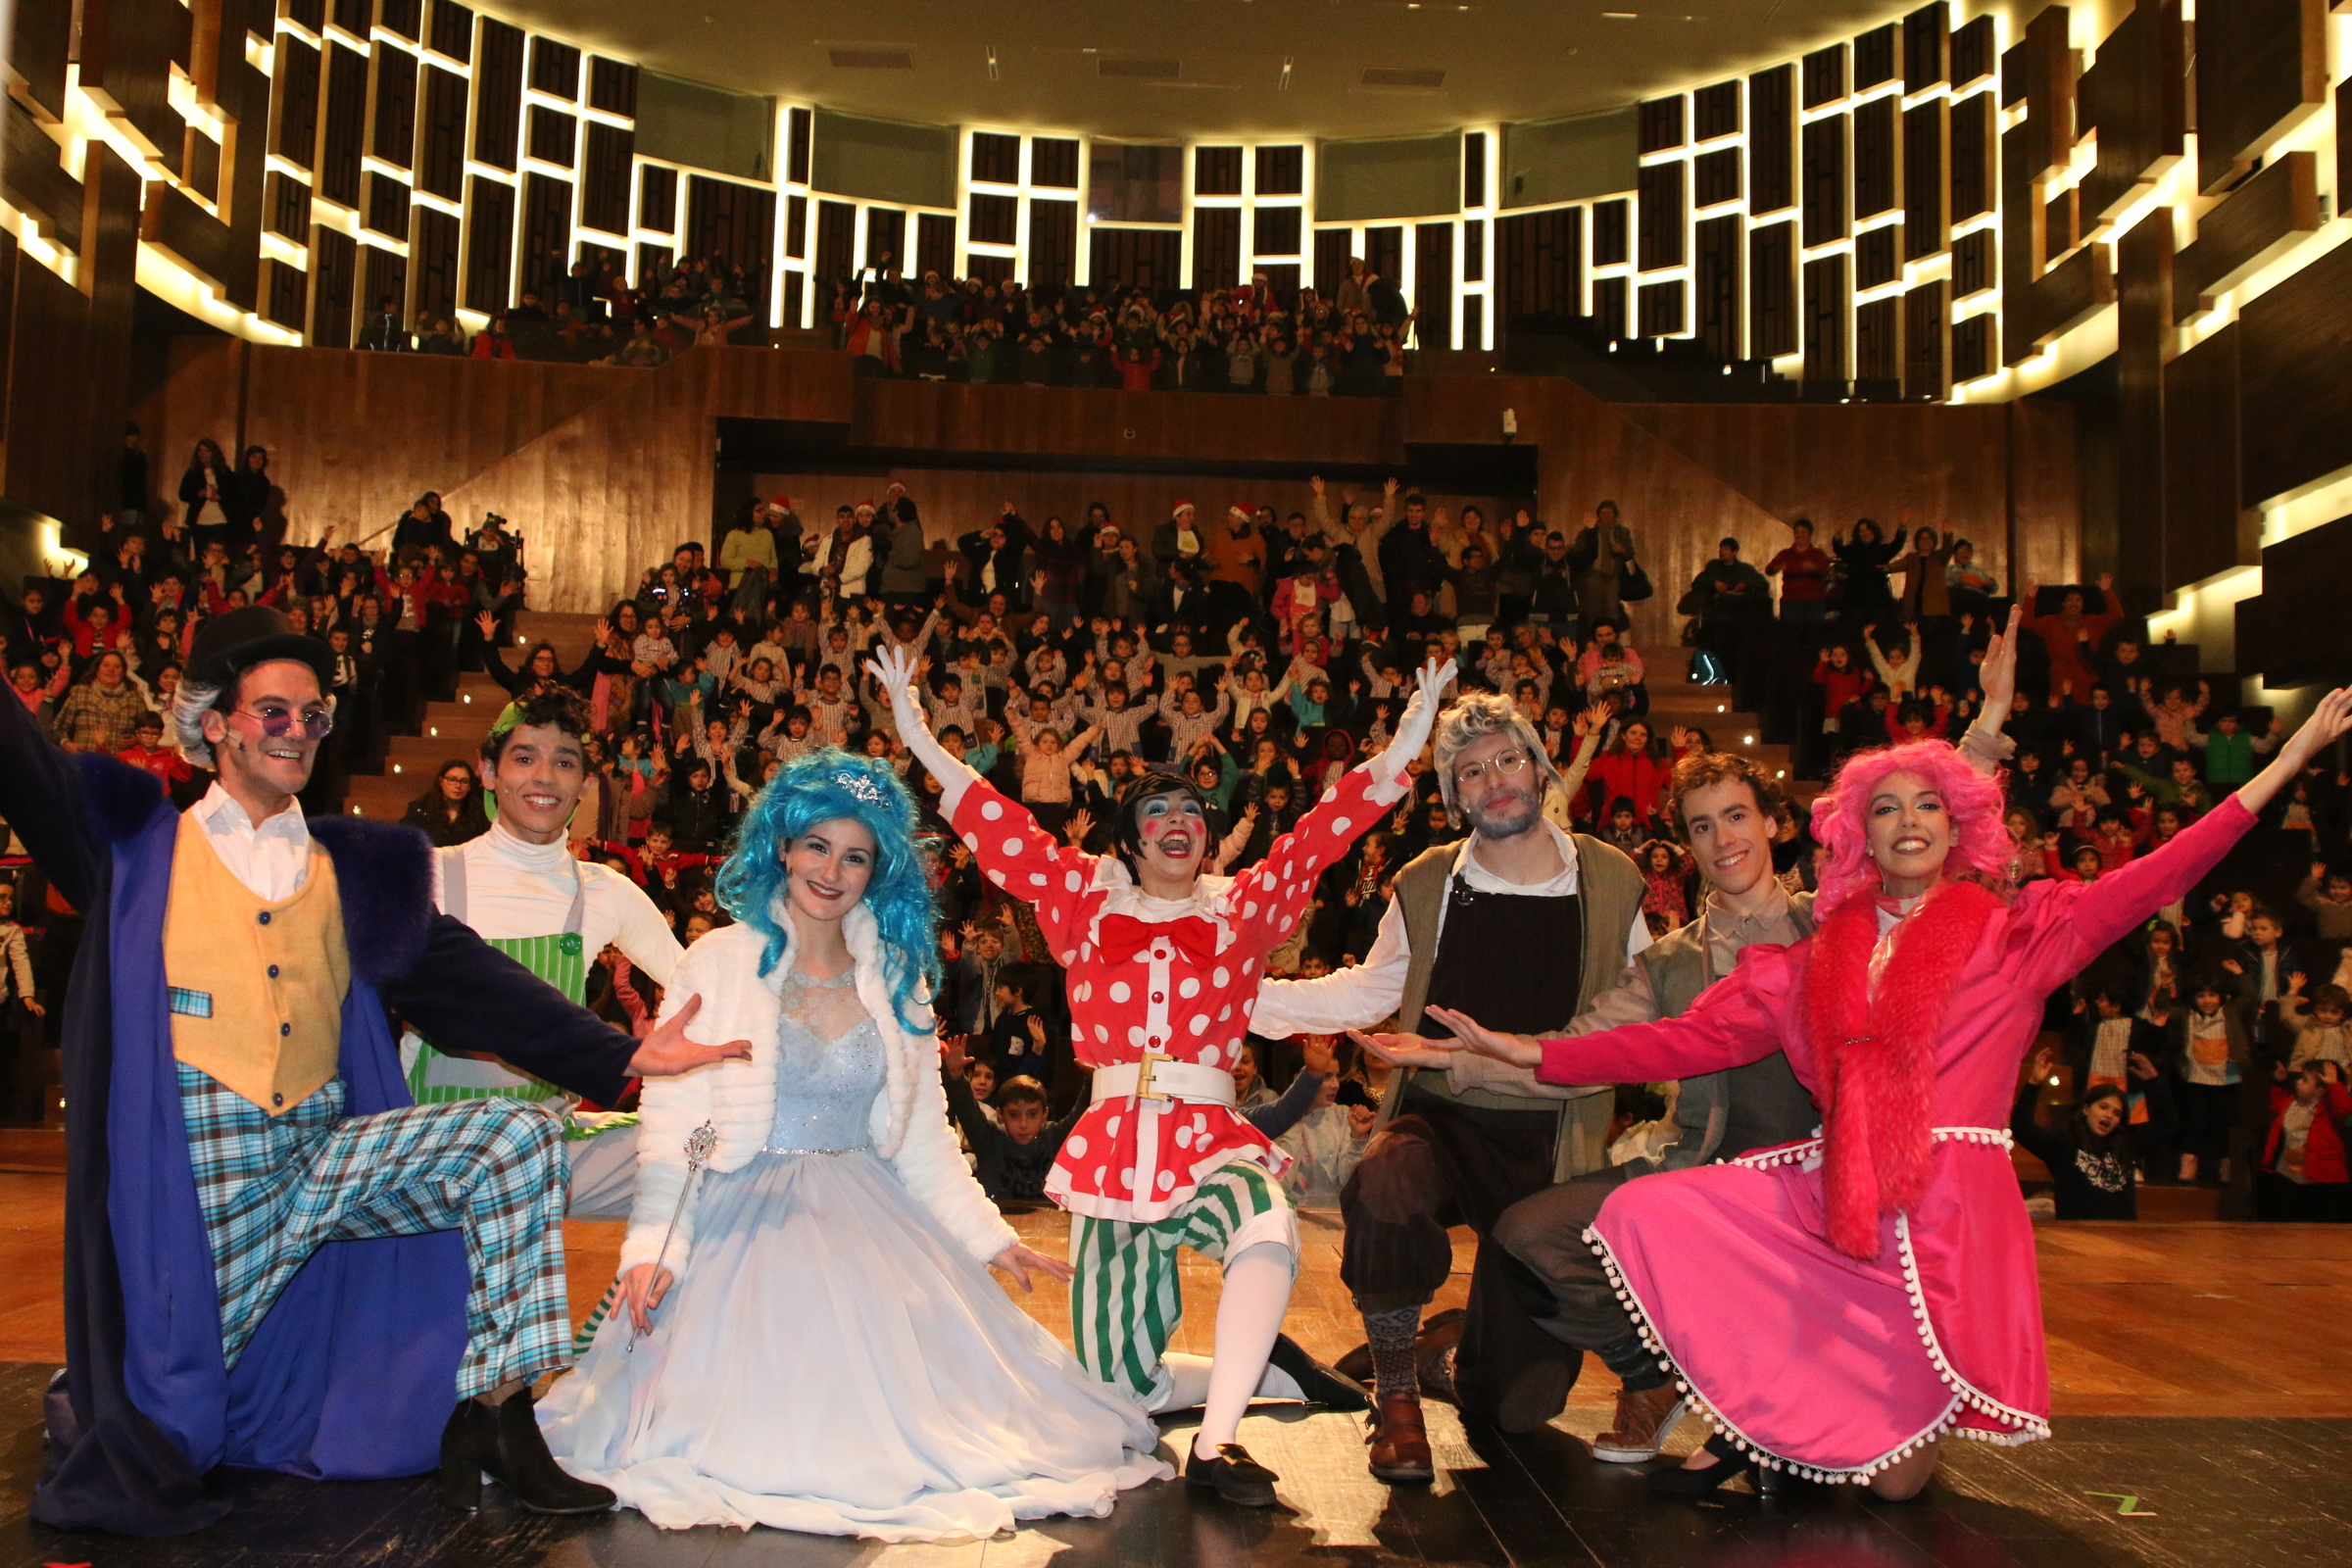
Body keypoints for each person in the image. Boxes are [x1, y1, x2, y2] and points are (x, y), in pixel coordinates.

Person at [1423, 681, 2351, 1497]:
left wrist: (2286, 762)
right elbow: (1682, 1039)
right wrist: (1522, 1050)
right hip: (1840, 1197)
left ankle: (1791, 1427)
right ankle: (1751, 1416)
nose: (1909, 822)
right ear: (1858, 834)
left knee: (1897, 1488)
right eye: (1887, 808)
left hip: (1948, 1214)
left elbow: (2160, 875)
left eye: (1928, 806)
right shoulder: (1819, 953)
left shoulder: (2019, 935)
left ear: (1956, 824)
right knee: (1644, 1214)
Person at [0, 607, 751, 1535]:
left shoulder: (351, 867)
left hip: (320, 1157)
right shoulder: (134, 847)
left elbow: (463, 976)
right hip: (195, 1195)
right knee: (157, 1415)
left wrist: (623, 1052)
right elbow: (24, 766)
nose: (298, 729)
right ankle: (101, 1389)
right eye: (274, 710)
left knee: (517, 1138)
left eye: (313, 714)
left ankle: (498, 1416)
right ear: (216, 722)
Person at [865, 641, 1445, 1506]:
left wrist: (1400, 751)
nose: (1180, 819)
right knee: (1118, 1395)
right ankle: (1266, 1370)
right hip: (1112, 1149)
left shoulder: (1241, 907)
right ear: (1131, 838)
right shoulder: (1084, 898)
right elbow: (997, 824)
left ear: (1206, 836)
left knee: (1265, 1224)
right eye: (1158, 809)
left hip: (1208, 1136)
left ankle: (1218, 1444)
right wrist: (917, 733)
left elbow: (1319, 835)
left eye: (1192, 810)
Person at [536, 751, 1169, 1539]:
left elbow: (923, 1136)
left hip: (867, 1211)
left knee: (947, 1416)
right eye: (817, 846)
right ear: (781, 846)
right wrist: (652, 1248)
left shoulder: (897, 974)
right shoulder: (718, 961)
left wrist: (990, 1238)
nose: (831, 871)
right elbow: (676, 1122)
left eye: (855, 856)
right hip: (742, 1221)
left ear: (879, 870)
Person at [1247, 691, 1651, 1480]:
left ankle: (1447, 1350)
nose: (1495, 781)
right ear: (1454, 797)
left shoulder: (1610, 878)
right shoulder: (1428, 881)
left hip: (1553, 1137)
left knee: (1515, 1407)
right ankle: (1396, 1395)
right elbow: (1369, 989)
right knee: (1385, 1180)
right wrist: (1239, 1001)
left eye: (1508, 760)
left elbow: (1644, 1006)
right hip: (1442, 1118)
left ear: (1540, 770)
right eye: (1471, 771)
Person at [404, 691, 684, 1218]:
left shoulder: (607, 891)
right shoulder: (426, 875)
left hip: (546, 1153)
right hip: (430, 1156)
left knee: (710, 1157)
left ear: (586, 784)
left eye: (565, 762)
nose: (545, 777)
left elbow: (696, 986)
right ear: (489, 772)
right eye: (525, 757)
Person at [403, 758, 493, 846]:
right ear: (441, 781)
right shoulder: (421, 810)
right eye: (452, 780)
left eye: (464, 781)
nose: (458, 786)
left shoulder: (478, 813)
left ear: (470, 786)